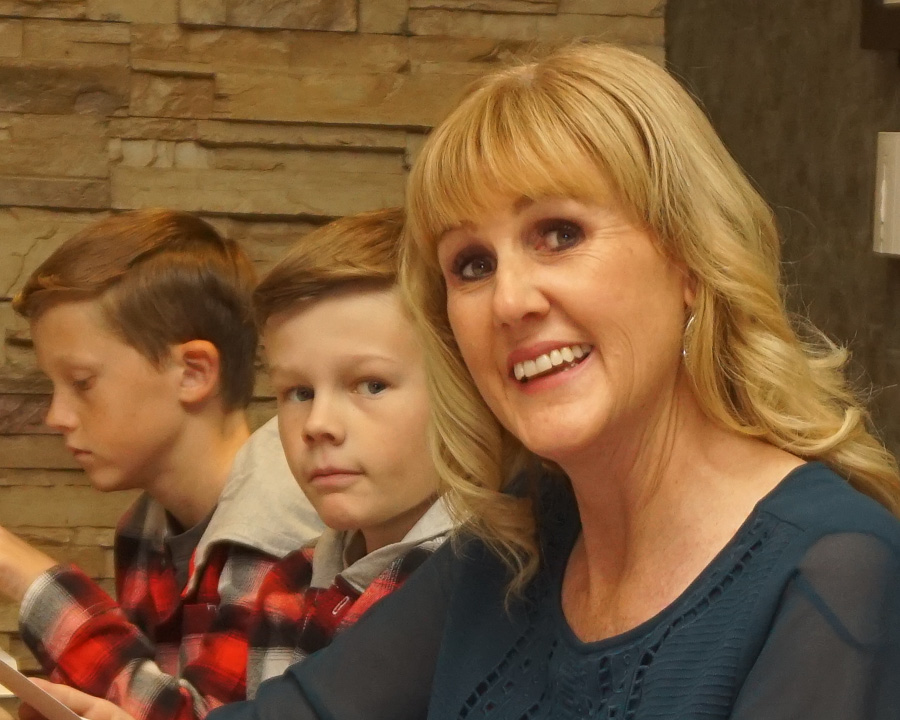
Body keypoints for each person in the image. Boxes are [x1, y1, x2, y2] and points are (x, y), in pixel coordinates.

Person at [24, 43, 900, 720]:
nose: (510, 301)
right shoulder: (516, 541)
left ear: (690, 266)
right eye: (472, 264)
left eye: (559, 234)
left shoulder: (835, 570)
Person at [5, 209, 323, 720]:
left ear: (192, 372)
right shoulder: (144, 530)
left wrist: (27, 578)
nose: (56, 416)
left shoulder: (281, 529)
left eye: (82, 382)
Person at [245, 207, 453, 697]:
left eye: (371, 384)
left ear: (461, 388)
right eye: (298, 392)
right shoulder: (290, 582)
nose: (317, 424)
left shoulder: (484, 583)